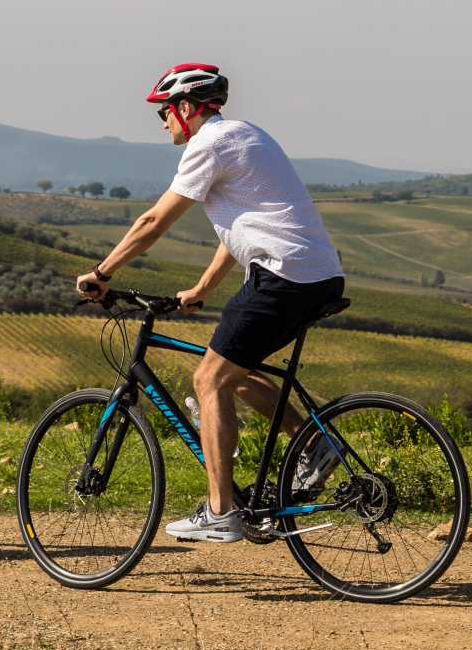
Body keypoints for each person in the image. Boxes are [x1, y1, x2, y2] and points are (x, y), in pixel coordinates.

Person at [75, 63, 345, 543]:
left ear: (184, 109)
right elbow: (243, 226)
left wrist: (102, 273)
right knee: (230, 375)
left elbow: (154, 221)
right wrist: (201, 289)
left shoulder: (208, 144)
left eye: (164, 114)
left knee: (208, 379)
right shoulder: (247, 136)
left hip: (283, 274)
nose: (163, 125)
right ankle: (314, 445)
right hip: (312, 274)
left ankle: (222, 512)